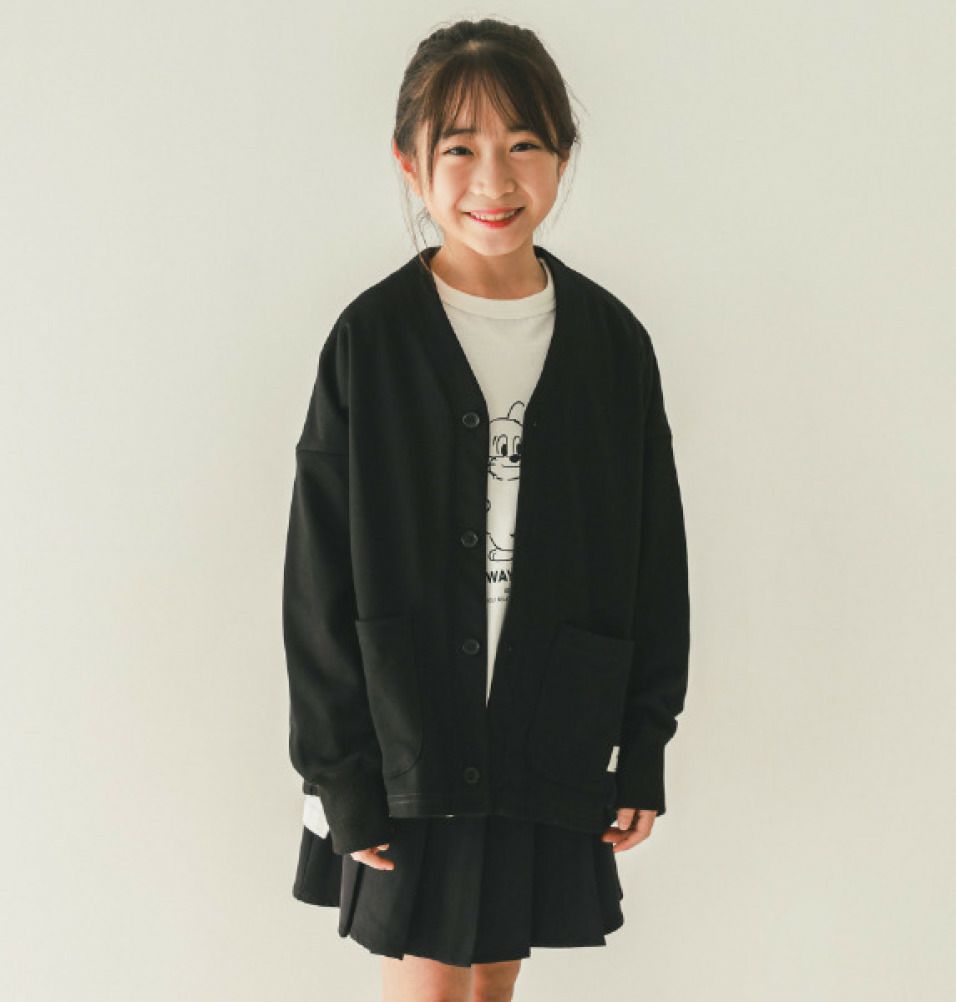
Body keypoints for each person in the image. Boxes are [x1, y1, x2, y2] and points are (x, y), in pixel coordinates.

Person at [282, 16, 691, 1002]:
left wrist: (642, 745)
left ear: (562, 156)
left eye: (524, 144)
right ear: (410, 163)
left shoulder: (612, 345)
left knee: (489, 988)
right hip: (409, 741)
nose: (493, 181)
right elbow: (318, 573)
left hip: (547, 729)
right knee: (431, 989)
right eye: (460, 148)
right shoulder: (373, 340)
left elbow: (655, 561)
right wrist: (340, 768)